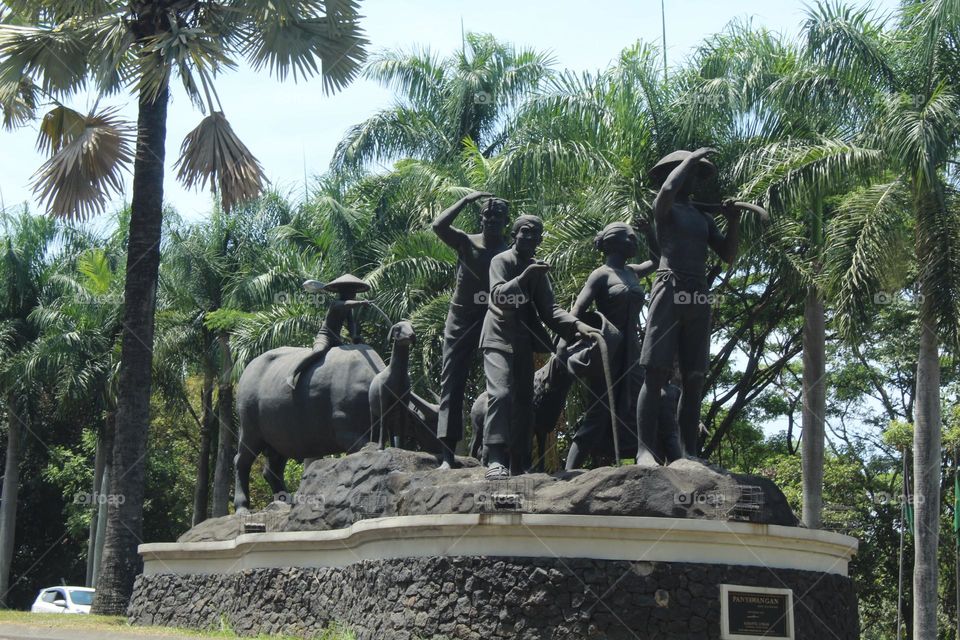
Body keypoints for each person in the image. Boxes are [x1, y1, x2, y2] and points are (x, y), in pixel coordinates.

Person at [634, 148, 740, 465]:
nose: (692, 178)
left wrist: (733, 221)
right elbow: (666, 190)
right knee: (655, 373)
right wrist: (691, 159)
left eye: (696, 173)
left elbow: (728, 254)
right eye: (687, 172)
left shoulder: (702, 217)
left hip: (698, 292)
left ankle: (689, 452)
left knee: (695, 377)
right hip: (669, 286)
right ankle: (644, 451)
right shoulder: (665, 208)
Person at [479, 215, 598, 478]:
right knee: (500, 394)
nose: (530, 238)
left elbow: (550, 310)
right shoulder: (501, 261)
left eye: (536, 234)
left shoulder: (536, 268)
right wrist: (525, 277)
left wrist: (578, 326)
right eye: (525, 232)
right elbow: (499, 295)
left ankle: (519, 463)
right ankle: (495, 459)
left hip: (522, 340)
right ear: (514, 235)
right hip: (498, 336)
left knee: (524, 402)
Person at [564, 222, 658, 470]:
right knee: (599, 412)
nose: (635, 242)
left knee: (633, 410)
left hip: (633, 352)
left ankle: (627, 467)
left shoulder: (633, 271)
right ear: (614, 243)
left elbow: (658, 260)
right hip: (609, 350)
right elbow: (577, 311)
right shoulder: (601, 274)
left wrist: (650, 231)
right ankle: (570, 470)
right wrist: (569, 340)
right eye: (631, 238)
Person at [431, 192, 509, 469]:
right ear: (481, 217)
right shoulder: (467, 241)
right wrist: (465, 201)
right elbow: (438, 226)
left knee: (498, 383)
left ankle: (495, 454)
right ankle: (447, 455)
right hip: (461, 318)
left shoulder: (508, 252)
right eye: (487, 215)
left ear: (506, 221)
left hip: (492, 318)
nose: (491, 220)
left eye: (497, 216)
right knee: (451, 383)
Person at [287, 274, 371, 390]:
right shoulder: (336, 304)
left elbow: (351, 324)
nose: (354, 295)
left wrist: (354, 336)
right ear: (344, 293)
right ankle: (293, 373)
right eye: (352, 293)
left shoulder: (347, 309)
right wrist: (360, 303)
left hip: (336, 339)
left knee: (349, 355)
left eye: (355, 293)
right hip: (325, 337)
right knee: (319, 351)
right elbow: (345, 304)